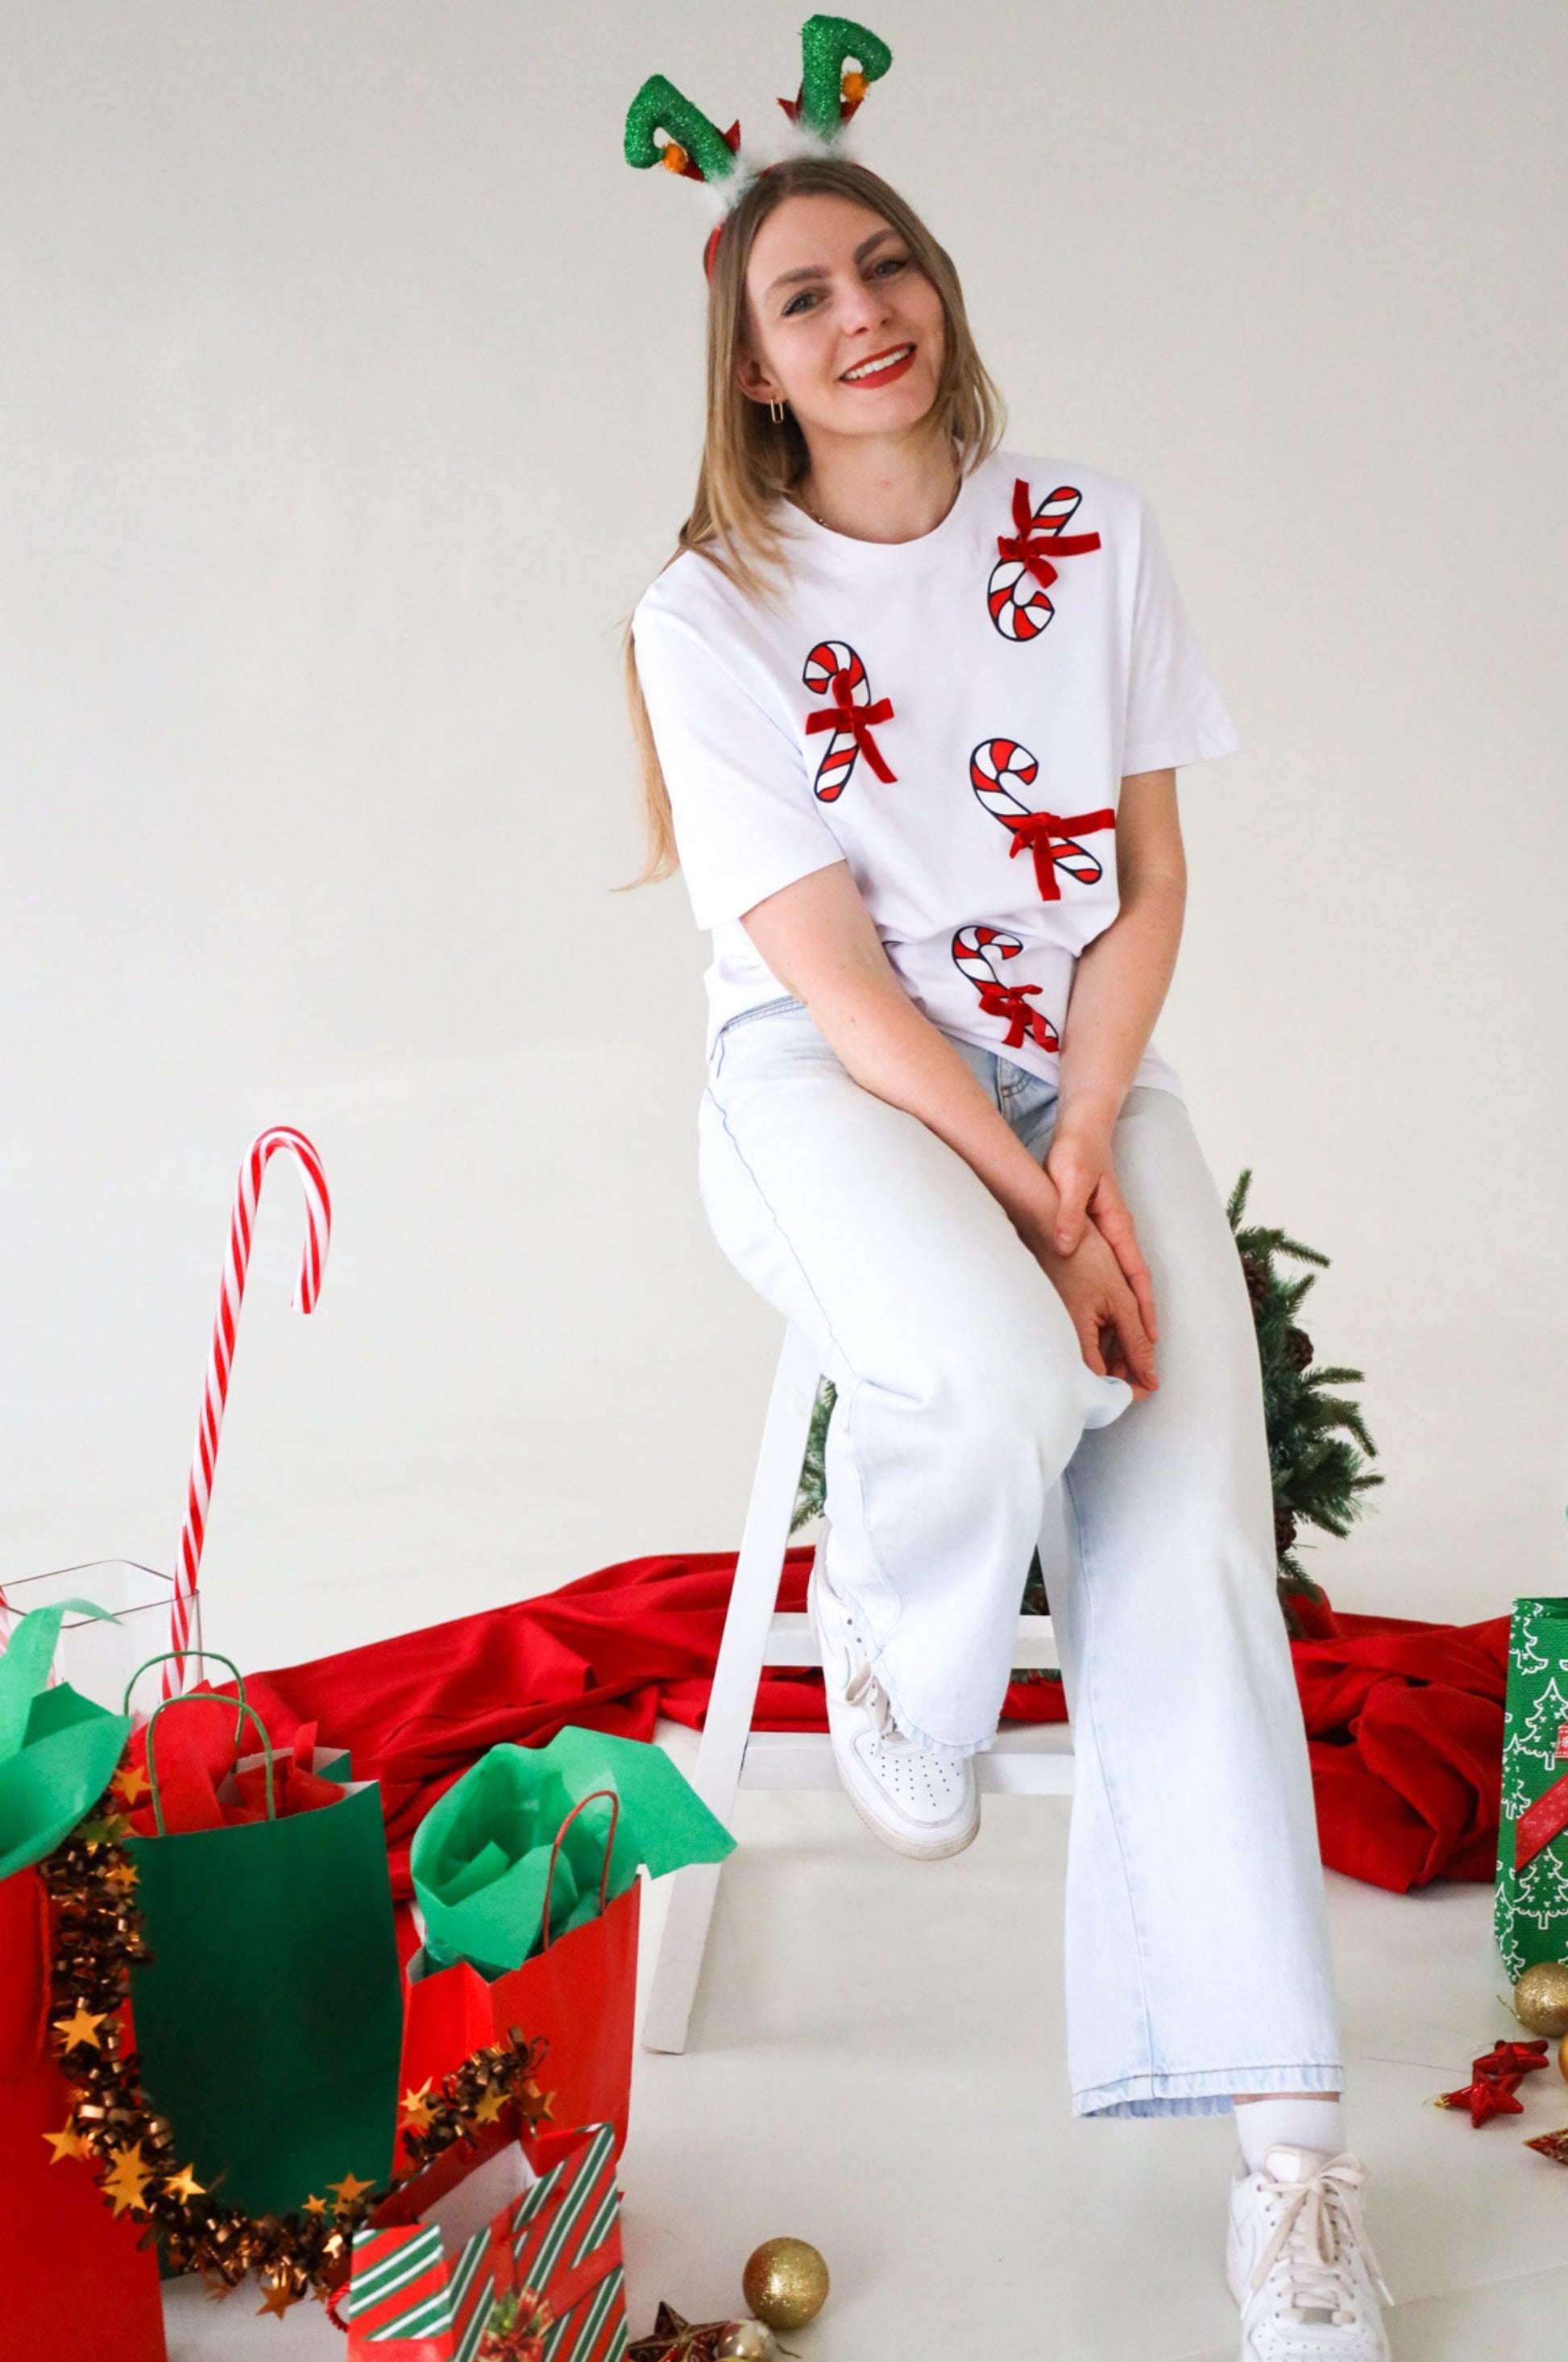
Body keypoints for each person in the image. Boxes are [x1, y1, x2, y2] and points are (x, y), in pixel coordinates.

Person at [622, 35, 1392, 2356]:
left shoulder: (1093, 533)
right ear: (750, 377)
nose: (858, 315)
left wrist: (1089, 1133)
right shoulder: (704, 612)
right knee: (977, 1361)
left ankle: (1289, 2169)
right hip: (828, 1082)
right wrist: (1028, 1203)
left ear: (936, 289)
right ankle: (906, 1648)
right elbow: (844, 993)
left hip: (1079, 1068)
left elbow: (1151, 877)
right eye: (799, 301)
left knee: (1187, 1521)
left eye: (884, 269)